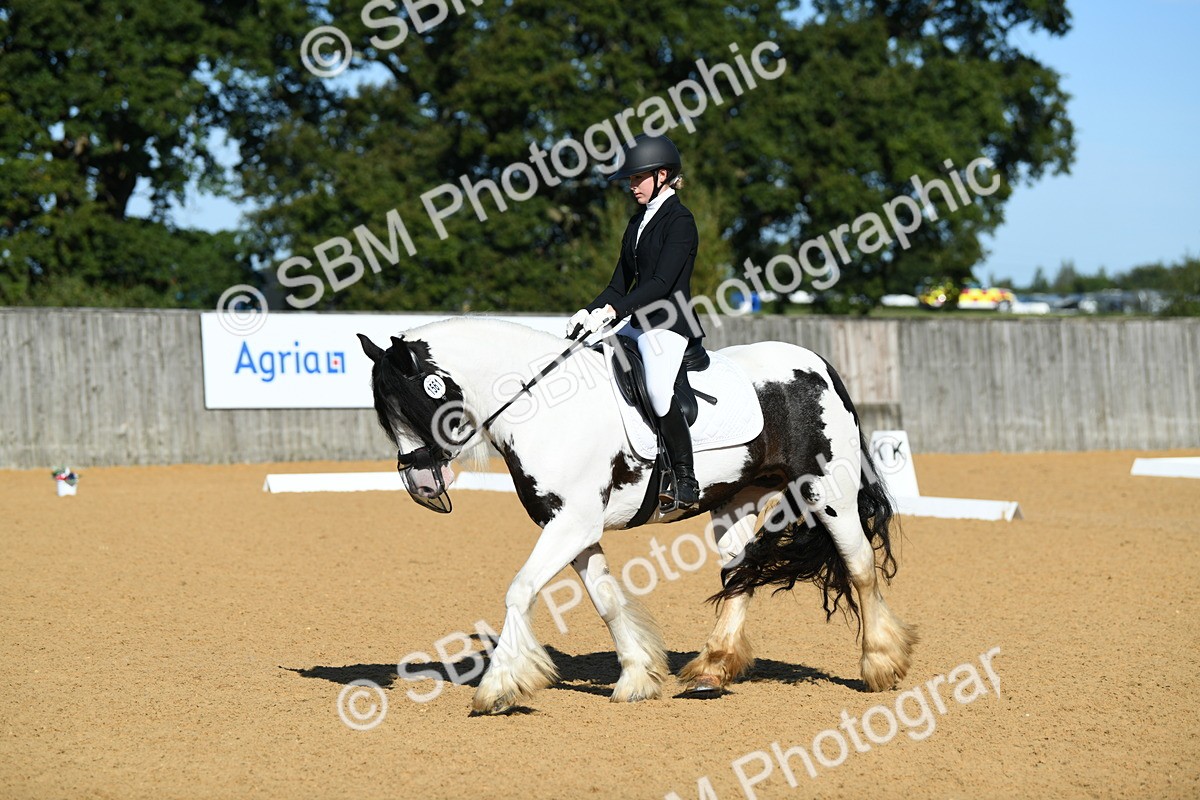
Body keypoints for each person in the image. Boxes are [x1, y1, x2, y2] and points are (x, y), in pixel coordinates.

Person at [565, 134, 705, 511]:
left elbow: (660, 284)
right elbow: (617, 284)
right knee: (590, 363)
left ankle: (686, 478)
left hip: (667, 323)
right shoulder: (638, 220)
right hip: (634, 319)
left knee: (659, 391)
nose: (631, 185)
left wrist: (615, 312)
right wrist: (590, 310)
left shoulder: (680, 221)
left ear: (662, 175)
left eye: (637, 178)